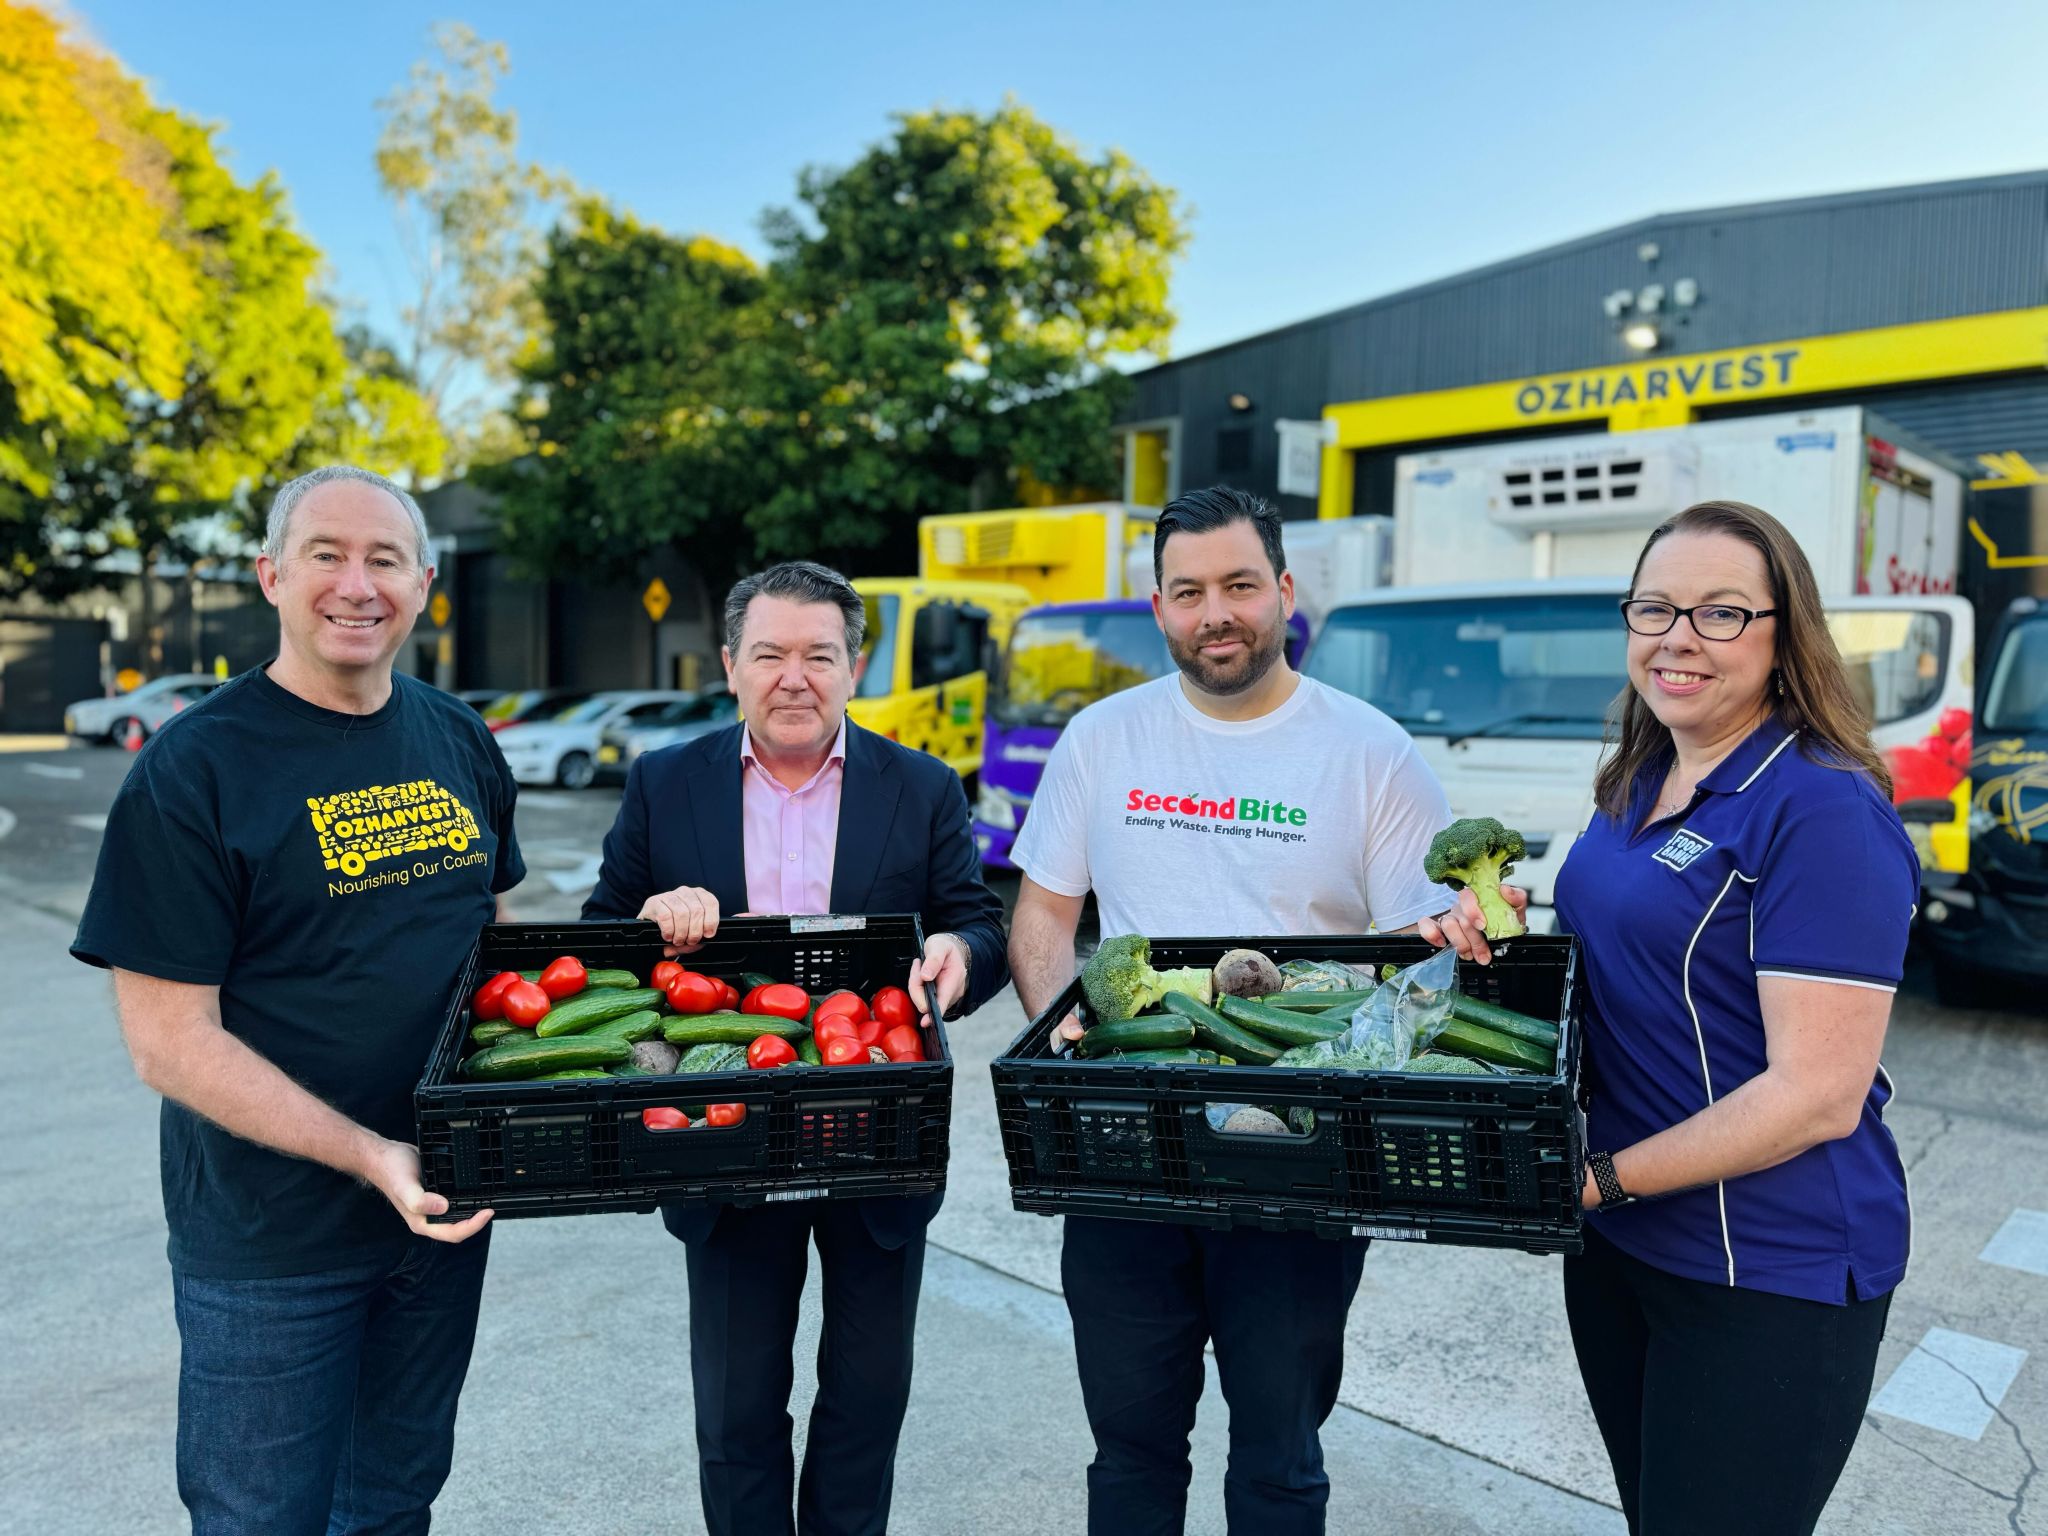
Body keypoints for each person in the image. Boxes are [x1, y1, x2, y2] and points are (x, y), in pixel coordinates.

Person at [1424, 499, 1918, 1536]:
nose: (1676, 637)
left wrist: (1598, 1181)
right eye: (1653, 607)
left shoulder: (1820, 808)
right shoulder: (1639, 776)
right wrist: (1494, 938)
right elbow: (1621, 963)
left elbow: (1816, 1095)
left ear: (1785, 638)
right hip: (1619, 1244)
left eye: (1720, 612)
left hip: (1762, 1268)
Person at [71, 465, 521, 1534]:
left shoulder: (457, 737)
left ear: (423, 584)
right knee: (259, 1517)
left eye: (384, 560)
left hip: (440, 1220)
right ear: (272, 575)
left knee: (393, 1503)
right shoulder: (194, 770)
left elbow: (495, 940)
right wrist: (373, 1156)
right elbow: (169, 1042)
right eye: (326, 554)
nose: (355, 585)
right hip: (271, 1245)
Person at [1007, 486, 1459, 1536]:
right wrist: (1069, 1047)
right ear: (1157, 607)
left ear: (1284, 592)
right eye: (1189, 591)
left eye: (1239, 585)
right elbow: (1042, 918)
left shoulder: (1369, 753)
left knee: (1278, 1459)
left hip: (1298, 1158)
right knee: (1128, 1451)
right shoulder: (1101, 738)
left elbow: (1422, 958)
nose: (1216, 611)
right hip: (1125, 1149)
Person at [581, 559, 1008, 1536]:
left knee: (865, 1404)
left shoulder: (924, 786)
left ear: (854, 666)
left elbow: (976, 923)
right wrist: (648, 917)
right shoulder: (664, 783)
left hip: (878, 1131)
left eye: (819, 655)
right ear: (729, 664)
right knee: (735, 1416)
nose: (793, 677)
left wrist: (956, 954)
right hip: (723, 1127)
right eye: (768, 653)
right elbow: (599, 932)